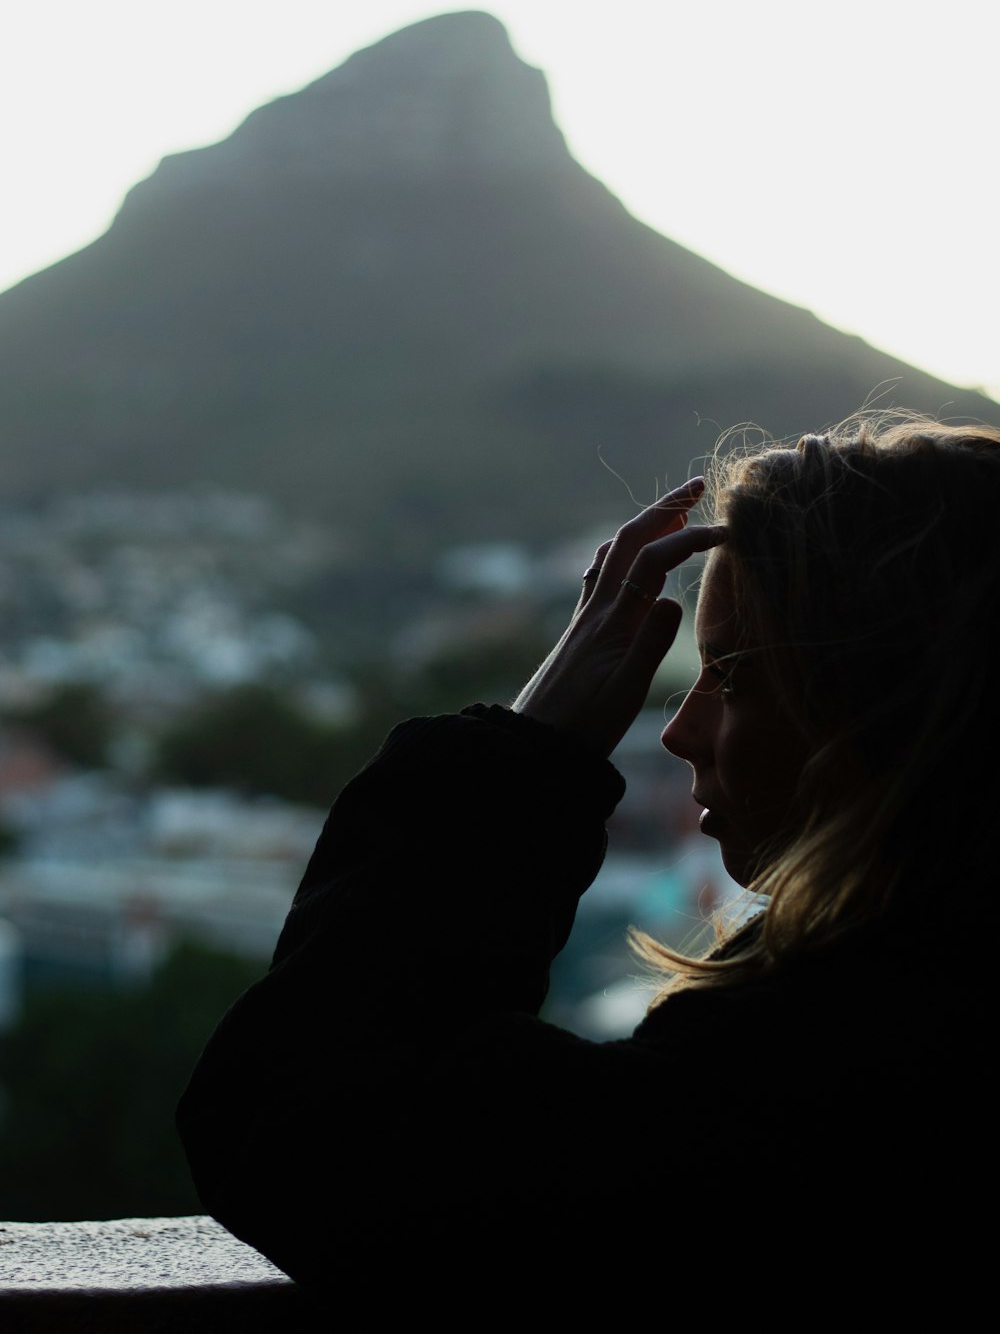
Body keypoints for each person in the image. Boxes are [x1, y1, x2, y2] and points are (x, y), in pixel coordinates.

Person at [176, 410, 997, 1315]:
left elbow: (302, 1129)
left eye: (733, 673)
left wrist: (526, 750)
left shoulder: (822, 1091)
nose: (682, 731)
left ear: (887, 709)